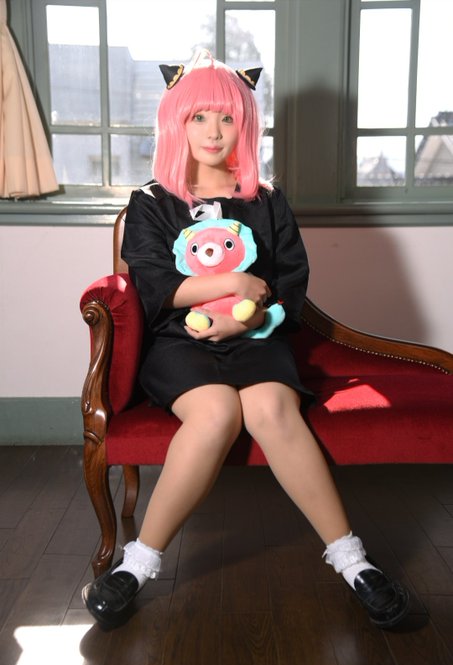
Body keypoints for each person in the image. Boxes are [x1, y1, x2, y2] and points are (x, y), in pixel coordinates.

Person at [82, 50, 409, 630]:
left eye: (227, 118)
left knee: (271, 408)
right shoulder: (152, 202)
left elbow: (291, 281)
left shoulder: (267, 199)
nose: (213, 131)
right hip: (180, 343)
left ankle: (353, 561)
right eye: (199, 117)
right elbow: (155, 286)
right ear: (177, 123)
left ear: (245, 125)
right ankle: (138, 564)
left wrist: (250, 315)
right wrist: (233, 283)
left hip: (259, 336)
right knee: (214, 414)